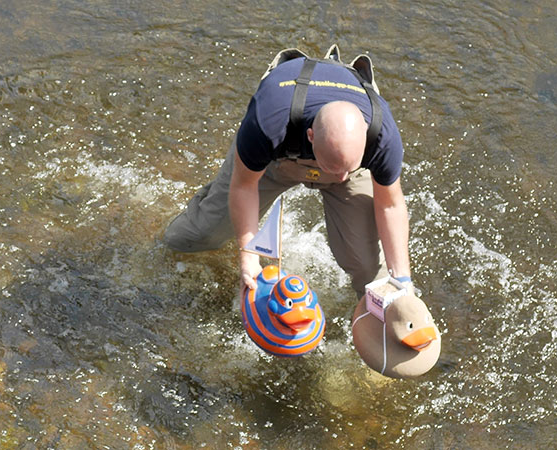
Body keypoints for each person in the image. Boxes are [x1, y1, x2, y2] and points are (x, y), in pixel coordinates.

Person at [163, 45, 412, 298]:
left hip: (339, 153)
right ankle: (163, 242)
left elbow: (390, 205)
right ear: (311, 137)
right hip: (280, 154)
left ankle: (378, 319)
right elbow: (244, 186)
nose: (341, 179)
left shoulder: (382, 136)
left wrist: (402, 280)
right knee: (198, 235)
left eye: (346, 171)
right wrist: (248, 256)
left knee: (370, 269)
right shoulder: (269, 121)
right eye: (334, 170)